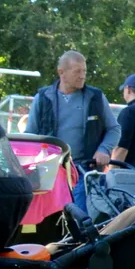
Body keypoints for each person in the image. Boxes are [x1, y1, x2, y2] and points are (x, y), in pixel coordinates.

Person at [25, 51, 112, 218]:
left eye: (84, 71)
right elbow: (30, 135)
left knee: (80, 215)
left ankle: (80, 242)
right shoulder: (43, 98)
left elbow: (114, 128)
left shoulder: (96, 97)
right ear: (61, 72)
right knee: (51, 217)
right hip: (50, 171)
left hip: (84, 168)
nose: (82, 76)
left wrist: (104, 149)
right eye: (77, 71)